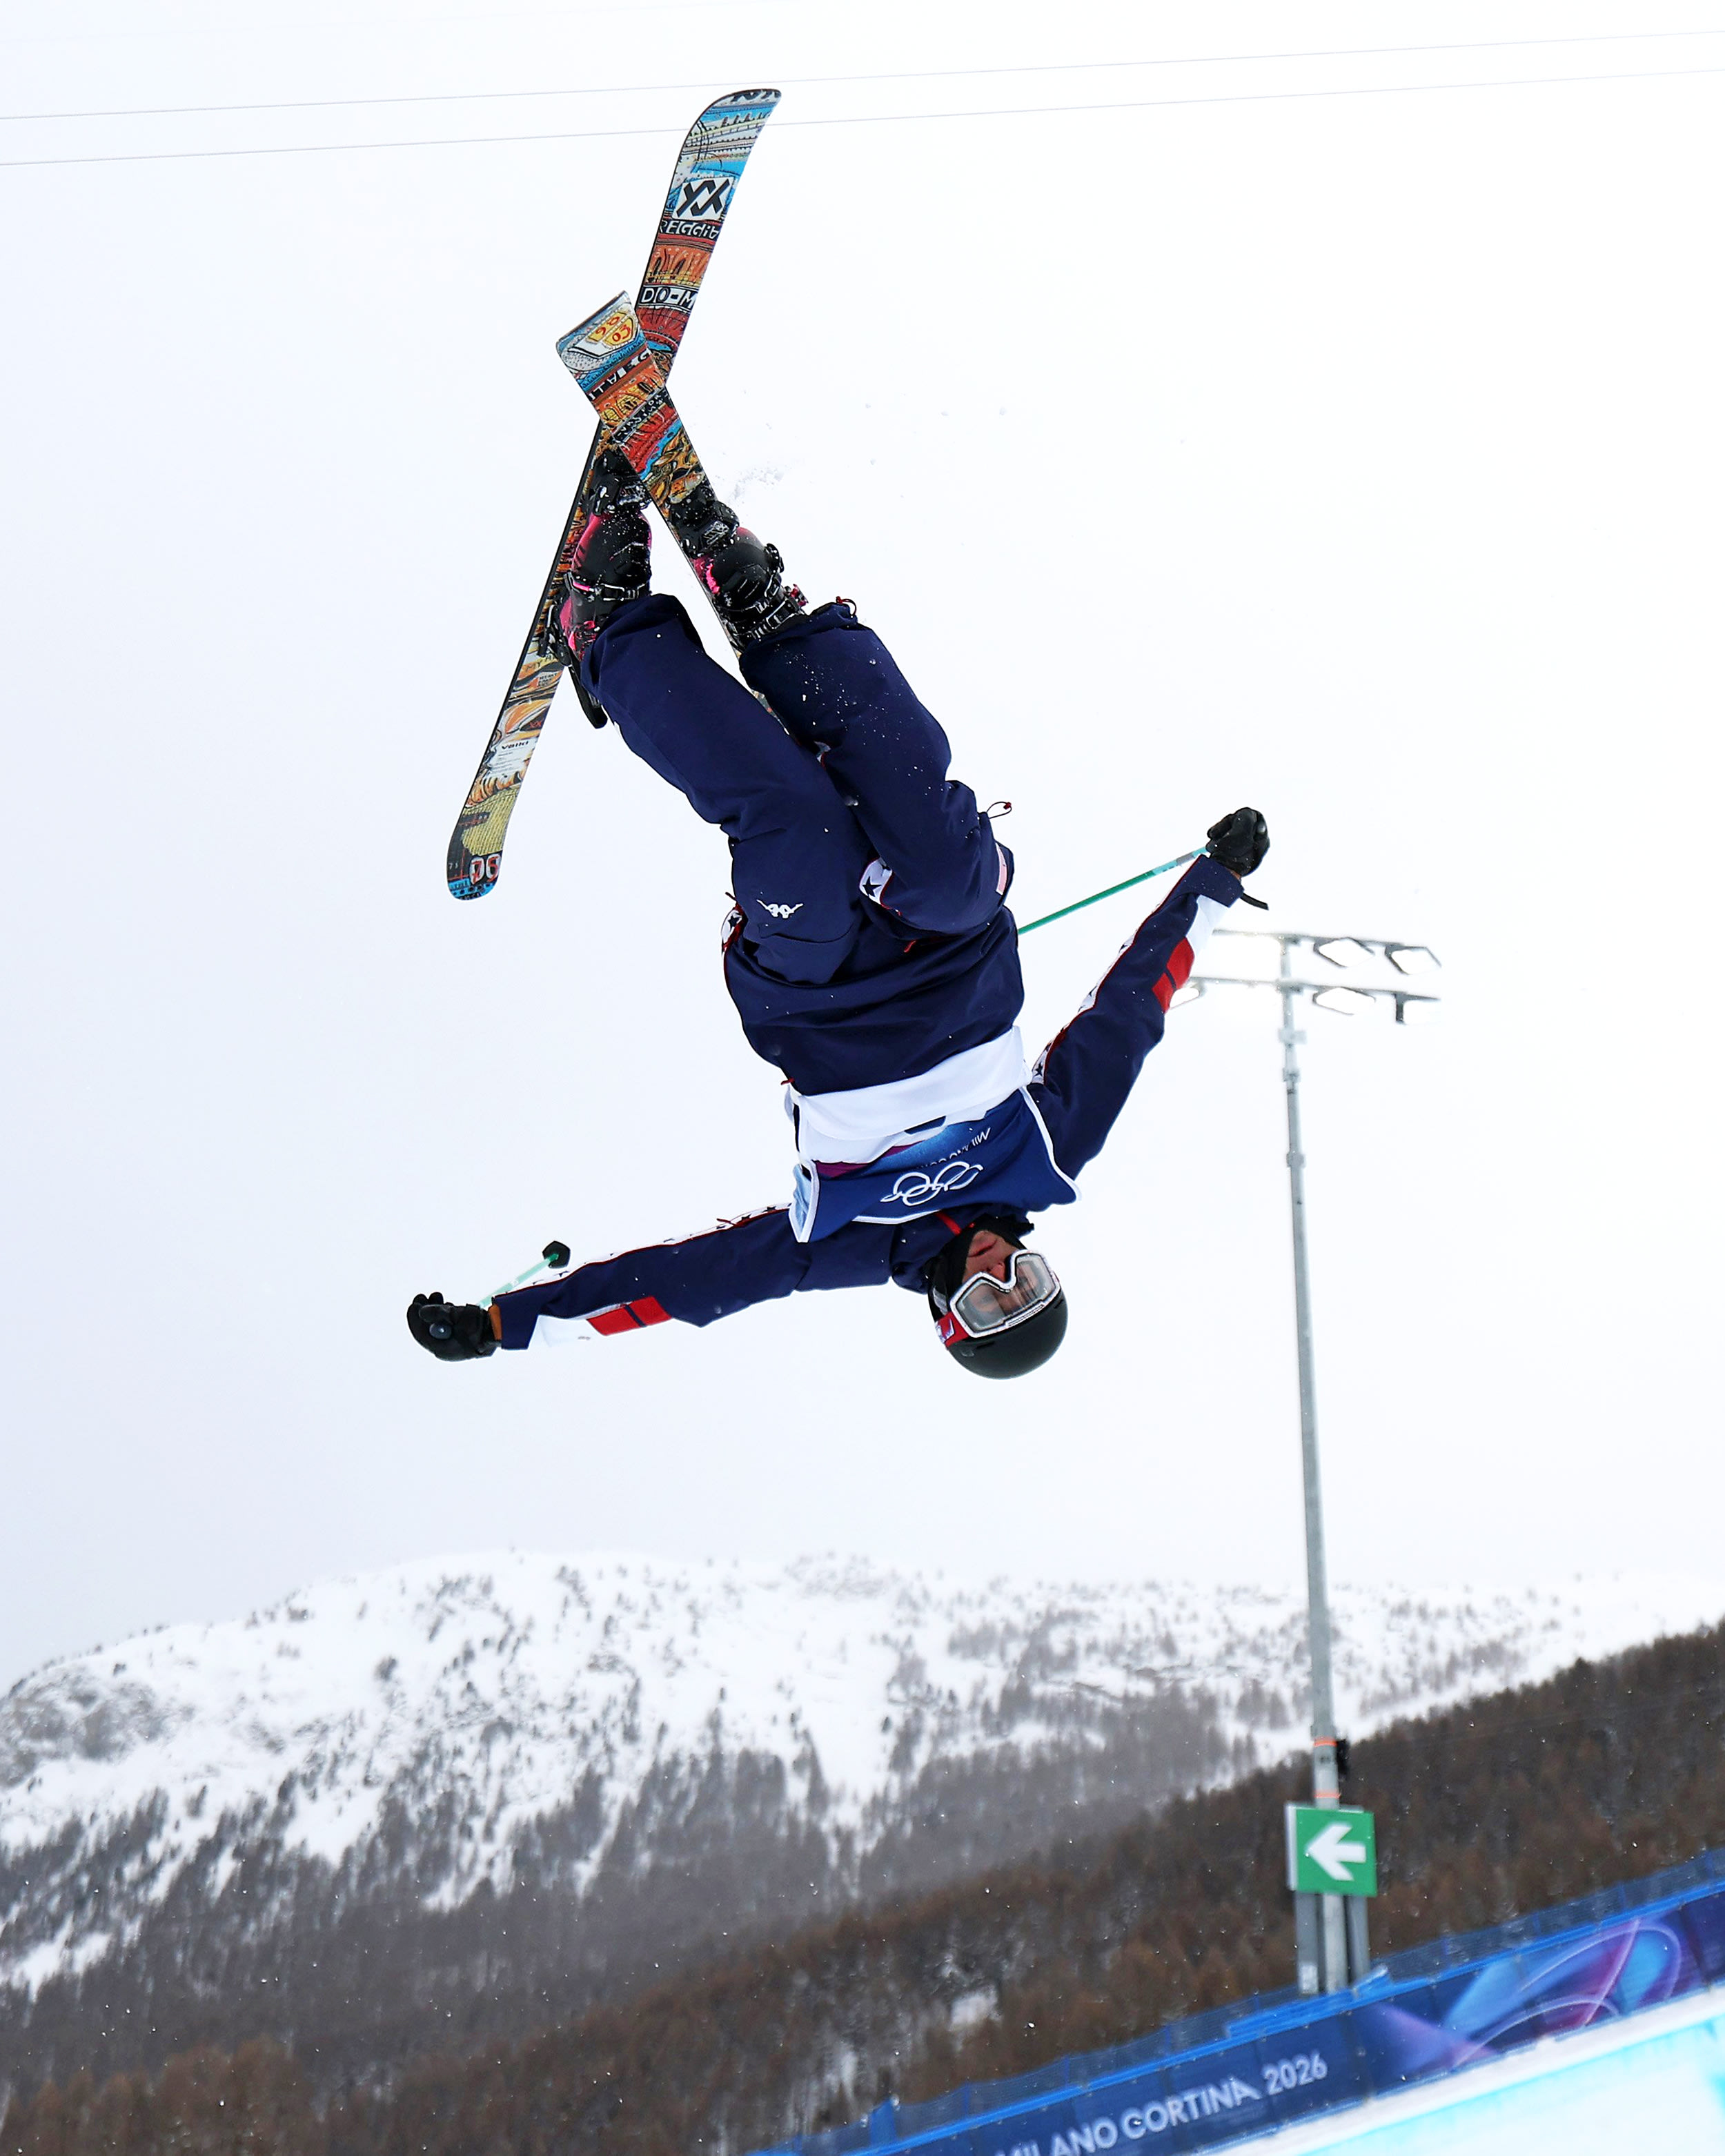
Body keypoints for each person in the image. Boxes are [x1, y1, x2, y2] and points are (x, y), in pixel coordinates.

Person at [409, 456, 1268, 1380]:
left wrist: (511, 1324)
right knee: (943, 868)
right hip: (950, 938)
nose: (998, 1270)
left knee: (802, 836)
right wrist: (1214, 880)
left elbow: (690, 1285)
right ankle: (779, 627)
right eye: (1029, 1279)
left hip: (809, 990)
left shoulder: (845, 1235)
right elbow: (1134, 1011)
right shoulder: (1049, 1154)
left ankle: (613, 626)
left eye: (989, 1301)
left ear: (948, 1313)